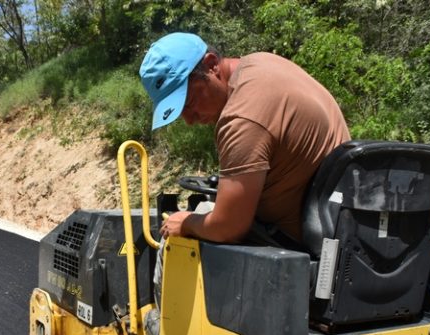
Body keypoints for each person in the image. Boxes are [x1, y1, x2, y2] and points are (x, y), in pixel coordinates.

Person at [139, 33, 351, 244]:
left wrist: (186, 223)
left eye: (189, 102)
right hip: (342, 225)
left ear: (211, 65)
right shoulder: (263, 63)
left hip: (299, 245)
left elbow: (228, 228)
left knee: (177, 238)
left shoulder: (241, 118)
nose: (189, 120)